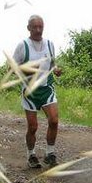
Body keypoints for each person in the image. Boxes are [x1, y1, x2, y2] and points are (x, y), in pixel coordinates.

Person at [13, 14, 62, 169]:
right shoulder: (23, 46)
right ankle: (31, 155)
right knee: (33, 127)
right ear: (28, 28)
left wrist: (56, 70)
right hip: (30, 92)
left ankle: (50, 153)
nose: (38, 30)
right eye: (35, 27)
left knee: (54, 120)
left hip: (47, 88)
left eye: (41, 27)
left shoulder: (49, 44)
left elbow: (52, 63)